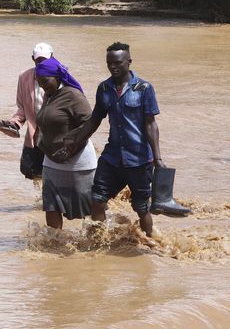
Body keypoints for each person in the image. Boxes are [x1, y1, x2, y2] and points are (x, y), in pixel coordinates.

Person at [62, 43, 164, 236]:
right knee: (97, 200)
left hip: (139, 160)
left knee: (141, 207)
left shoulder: (144, 88)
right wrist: (75, 143)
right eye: (109, 63)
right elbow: (94, 121)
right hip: (112, 159)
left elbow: (151, 124)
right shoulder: (104, 88)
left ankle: (151, 244)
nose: (113, 67)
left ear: (129, 62)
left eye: (117, 63)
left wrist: (157, 159)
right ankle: (98, 243)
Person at [34, 57, 96, 229]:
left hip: (78, 162)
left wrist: (71, 146)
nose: (42, 86)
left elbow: (89, 123)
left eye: (45, 81)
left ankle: (98, 247)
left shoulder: (73, 95)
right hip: (51, 160)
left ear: (58, 77)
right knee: (51, 205)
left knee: (89, 209)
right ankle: (55, 244)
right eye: (39, 83)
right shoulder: (49, 95)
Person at [1, 42, 54, 180]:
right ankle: (42, 201)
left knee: (54, 174)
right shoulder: (24, 77)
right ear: (33, 59)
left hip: (54, 135)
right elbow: (22, 109)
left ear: (52, 58)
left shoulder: (60, 77)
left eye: (45, 61)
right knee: (29, 170)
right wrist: (13, 123)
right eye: (38, 61)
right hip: (35, 134)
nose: (41, 64)